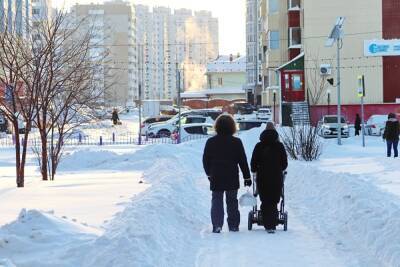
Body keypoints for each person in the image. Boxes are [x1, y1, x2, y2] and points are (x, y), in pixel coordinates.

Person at [203, 114, 251, 233]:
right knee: (232, 201)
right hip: (231, 176)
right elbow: (242, 161)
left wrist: (209, 173)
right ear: (232, 127)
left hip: (216, 175)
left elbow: (205, 160)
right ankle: (233, 225)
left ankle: (217, 225)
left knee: (217, 200)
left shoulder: (211, 141)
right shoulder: (236, 142)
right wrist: (247, 177)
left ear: (217, 126)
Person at [250, 126, 288, 233]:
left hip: (262, 177)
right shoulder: (279, 146)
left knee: (265, 199)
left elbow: (253, 163)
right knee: (274, 200)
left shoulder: (259, 146)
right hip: (276, 177)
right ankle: (272, 223)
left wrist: (255, 169)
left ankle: (267, 223)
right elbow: (284, 164)